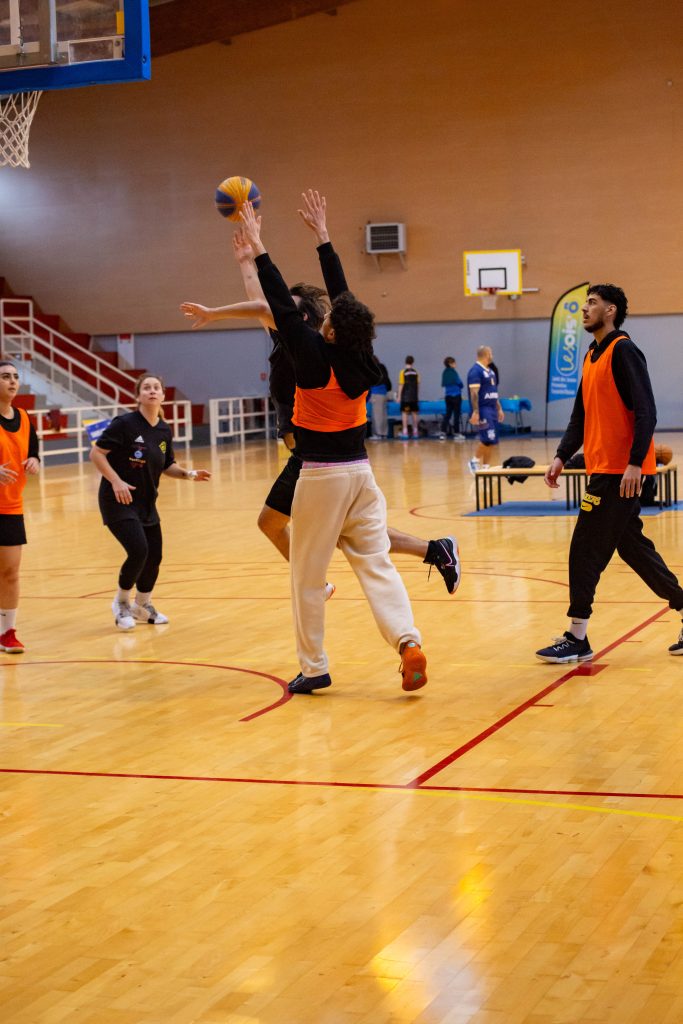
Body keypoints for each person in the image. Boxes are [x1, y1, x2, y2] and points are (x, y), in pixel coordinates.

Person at [181, 236, 460, 597]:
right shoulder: (291, 341)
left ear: (306, 319)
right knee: (345, 533)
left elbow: (266, 306)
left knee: (290, 526)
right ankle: (434, 550)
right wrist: (246, 261)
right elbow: (262, 302)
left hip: (314, 458)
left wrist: (214, 312)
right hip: (315, 456)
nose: (272, 311)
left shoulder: (308, 348)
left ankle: (319, 583)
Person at [240, 189, 431, 694]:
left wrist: (259, 245)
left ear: (325, 328)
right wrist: (323, 239)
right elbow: (343, 297)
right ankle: (408, 642)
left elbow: (280, 298)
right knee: (377, 564)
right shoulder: (361, 356)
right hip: (362, 477)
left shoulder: (307, 352)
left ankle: (313, 667)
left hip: (321, 476)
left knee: (306, 577)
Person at [535, 284, 683, 663]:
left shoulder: (624, 350)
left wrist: (635, 462)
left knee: (584, 547)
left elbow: (647, 411)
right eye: (584, 303)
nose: (584, 309)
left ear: (611, 311)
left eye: (592, 303)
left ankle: (577, 635)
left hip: (620, 473)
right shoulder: (592, 355)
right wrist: (562, 455)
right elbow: (581, 415)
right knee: (633, 548)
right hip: (603, 468)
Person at [90, 373, 211, 630]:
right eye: (146, 388)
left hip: (146, 502)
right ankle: (121, 603)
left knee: (154, 556)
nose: (152, 391)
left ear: (163, 396)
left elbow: (167, 465)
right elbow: (97, 453)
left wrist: (189, 474)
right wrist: (116, 481)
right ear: (138, 395)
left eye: (157, 388)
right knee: (138, 550)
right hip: (118, 499)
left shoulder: (163, 430)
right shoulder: (124, 424)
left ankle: (143, 605)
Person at [0, 360, 40, 653]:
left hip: (11, 506)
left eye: (15, 376)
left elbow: (34, 451)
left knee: (11, 572)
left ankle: (7, 632)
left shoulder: (25, 418)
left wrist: (35, 461)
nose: (12, 381)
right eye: (5, 377)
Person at [467, 345, 504, 472]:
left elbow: (494, 392)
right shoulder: (475, 371)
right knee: (487, 438)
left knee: (492, 440)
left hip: (492, 409)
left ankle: (485, 468)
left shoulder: (491, 372)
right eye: (491, 353)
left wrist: (499, 408)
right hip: (483, 410)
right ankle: (474, 461)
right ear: (486, 354)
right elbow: (474, 394)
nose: (492, 355)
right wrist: (476, 412)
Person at [439, 357, 464, 440]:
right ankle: (456, 433)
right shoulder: (453, 372)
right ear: (450, 363)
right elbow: (459, 382)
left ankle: (443, 433)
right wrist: (461, 386)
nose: (455, 364)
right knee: (456, 415)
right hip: (456, 396)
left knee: (447, 415)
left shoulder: (444, 373)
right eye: (454, 362)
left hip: (448, 396)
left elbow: (444, 384)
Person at [397, 355, 419, 439]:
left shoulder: (403, 372)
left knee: (405, 414)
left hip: (406, 398)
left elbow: (401, 385)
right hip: (414, 397)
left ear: (405, 362)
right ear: (412, 362)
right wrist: (416, 395)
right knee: (414, 413)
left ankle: (405, 431)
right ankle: (415, 431)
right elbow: (417, 385)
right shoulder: (416, 372)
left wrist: (399, 396)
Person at [368, 360, 391, 440]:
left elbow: (370, 381)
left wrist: (369, 396)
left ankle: (377, 434)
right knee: (384, 415)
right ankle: (384, 434)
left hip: (376, 393)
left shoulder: (372, 367)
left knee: (376, 415)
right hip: (384, 393)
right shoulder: (382, 366)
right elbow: (387, 380)